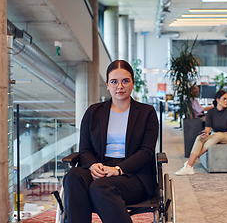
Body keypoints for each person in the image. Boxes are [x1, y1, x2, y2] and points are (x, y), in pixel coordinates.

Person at [63, 60, 159, 223]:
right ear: (107, 84)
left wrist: (118, 169)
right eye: (114, 81)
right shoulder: (93, 112)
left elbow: (146, 152)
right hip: (99, 167)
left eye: (125, 81)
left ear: (133, 83)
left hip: (134, 175)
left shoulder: (146, 113)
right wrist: (93, 166)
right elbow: (85, 150)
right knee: (73, 176)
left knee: (100, 187)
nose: (119, 86)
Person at [175, 90, 227, 176]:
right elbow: (207, 129)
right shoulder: (211, 112)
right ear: (218, 100)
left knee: (218, 135)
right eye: (224, 99)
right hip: (215, 135)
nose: (226, 101)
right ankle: (189, 167)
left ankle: (190, 161)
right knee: (200, 138)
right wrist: (205, 134)